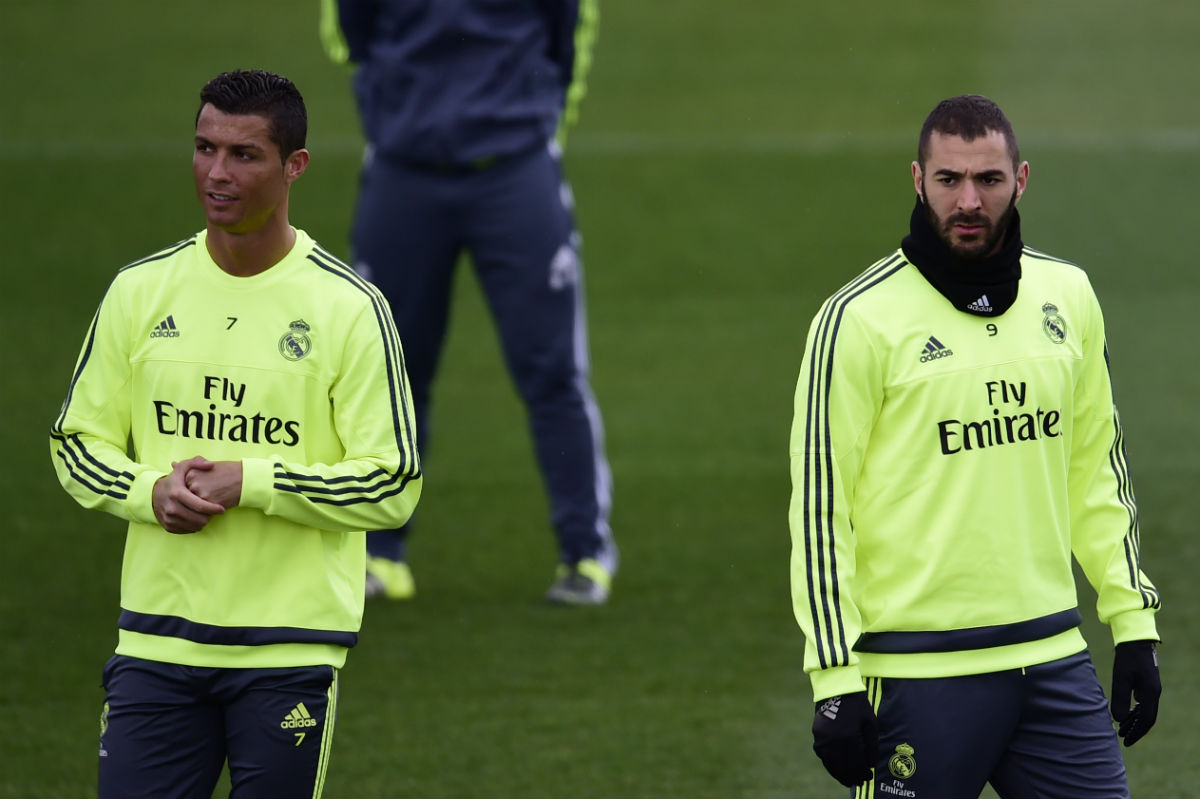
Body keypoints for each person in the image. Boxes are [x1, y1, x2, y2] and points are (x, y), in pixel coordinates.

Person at [49, 69, 422, 799]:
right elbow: (75, 442)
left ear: (295, 166)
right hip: (156, 642)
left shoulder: (348, 309)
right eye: (203, 147)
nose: (217, 173)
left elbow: (393, 482)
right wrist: (146, 489)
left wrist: (255, 481)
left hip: (288, 650)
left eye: (244, 154)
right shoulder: (140, 291)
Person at [787, 95, 1162, 798]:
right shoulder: (856, 322)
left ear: (1021, 180)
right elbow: (820, 512)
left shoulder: (1068, 295)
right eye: (948, 179)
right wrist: (835, 678)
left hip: (1052, 658)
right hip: (916, 675)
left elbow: (1096, 472)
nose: (968, 199)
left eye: (987, 180)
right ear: (917, 180)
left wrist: (1132, 621)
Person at [319, 0, 616, 605]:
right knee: (389, 372)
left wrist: (533, 125)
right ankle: (381, 551)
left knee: (550, 370)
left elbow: (569, 32)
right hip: (404, 173)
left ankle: (584, 551)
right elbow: (348, 32)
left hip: (514, 169)